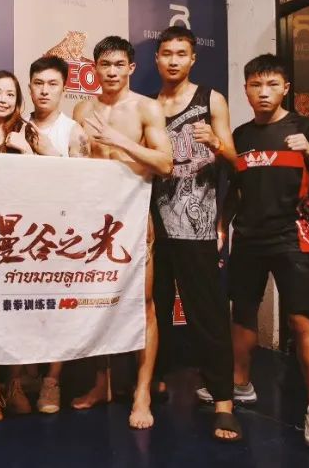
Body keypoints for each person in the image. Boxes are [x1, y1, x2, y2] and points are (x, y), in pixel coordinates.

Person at [221, 54, 309, 449]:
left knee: (301, 320)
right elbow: (234, 190)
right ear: (246, 90)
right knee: (243, 313)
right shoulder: (240, 135)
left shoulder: (306, 128)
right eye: (256, 85)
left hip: (291, 236)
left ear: (285, 88)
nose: (264, 92)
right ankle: (240, 384)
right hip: (248, 237)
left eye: (272, 84)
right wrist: (222, 225)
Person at [71, 36, 173, 430]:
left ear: (130, 68)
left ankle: (142, 391)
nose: (111, 72)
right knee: (99, 302)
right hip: (95, 220)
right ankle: (103, 384)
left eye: (119, 64)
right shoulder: (83, 109)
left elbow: (165, 163)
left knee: (143, 304)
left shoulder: (147, 108)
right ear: (94, 68)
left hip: (134, 217)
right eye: (104, 64)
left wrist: (119, 141)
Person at [150, 26, 241, 441]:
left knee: (207, 313)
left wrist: (217, 143)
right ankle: (157, 380)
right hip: (155, 225)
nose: (173, 60)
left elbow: (236, 161)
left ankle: (223, 402)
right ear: (157, 59)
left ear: (192, 58)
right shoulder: (150, 106)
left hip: (197, 225)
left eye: (181, 53)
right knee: (156, 308)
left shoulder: (210, 99)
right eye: (167, 53)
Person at [15, 56, 90, 415]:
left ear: (64, 88)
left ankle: (52, 381)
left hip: (60, 234)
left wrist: (49, 154)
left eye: (52, 84)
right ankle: (23, 376)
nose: (44, 91)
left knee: (58, 309)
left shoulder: (73, 131)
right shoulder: (16, 125)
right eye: (38, 83)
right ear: (29, 86)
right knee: (21, 307)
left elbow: (84, 189)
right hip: (20, 232)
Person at [0, 70, 38, 421]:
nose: (2, 99)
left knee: (16, 310)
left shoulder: (29, 131)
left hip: (19, 234)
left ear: (18, 100)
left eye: (9, 94)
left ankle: (14, 384)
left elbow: (52, 180)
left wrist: (27, 152)